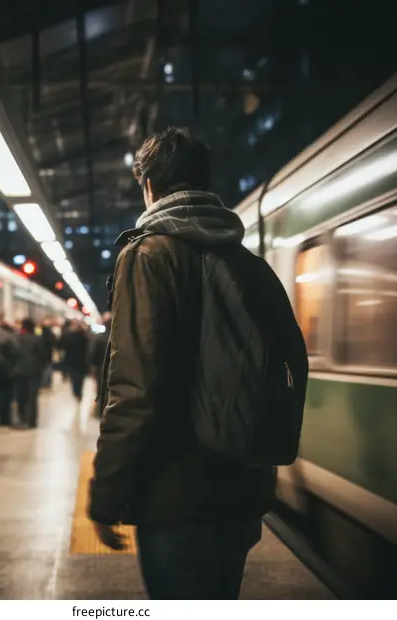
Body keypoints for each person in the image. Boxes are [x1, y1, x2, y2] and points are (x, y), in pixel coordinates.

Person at [88, 127, 278, 599]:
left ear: (148, 185)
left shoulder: (149, 254)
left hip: (176, 498)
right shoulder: (247, 261)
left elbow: (136, 388)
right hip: (241, 490)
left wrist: (107, 493)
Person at [14, 318, 44, 428]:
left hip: (19, 371)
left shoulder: (16, 338)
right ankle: (31, 421)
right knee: (32, 397)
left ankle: (21, 418)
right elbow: (42, 356)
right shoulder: (37, 339)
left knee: (20, 396)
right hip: (33, 371)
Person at [59, 320, 89, 402]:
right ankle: (79, 391)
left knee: (74, 378)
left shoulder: (68, 336)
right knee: (80, 378)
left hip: (71, 360)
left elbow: (61, 345)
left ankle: (76, 392)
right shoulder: (84, 337)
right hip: (82, 361)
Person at [88, 313, 111, 415]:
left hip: (100, 368)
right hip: (114, 368)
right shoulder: (119, 338)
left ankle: (100, 411)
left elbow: (93, 355)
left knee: (100, 390)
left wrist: (92, 367)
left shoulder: (99, 338)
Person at [40, 318, 56, 390]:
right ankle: (47, 383)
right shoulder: (51, 335)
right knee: (48, 369)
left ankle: (44, 383)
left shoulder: (40, 335)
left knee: (45, 369)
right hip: (49, 354)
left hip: (42, 355)